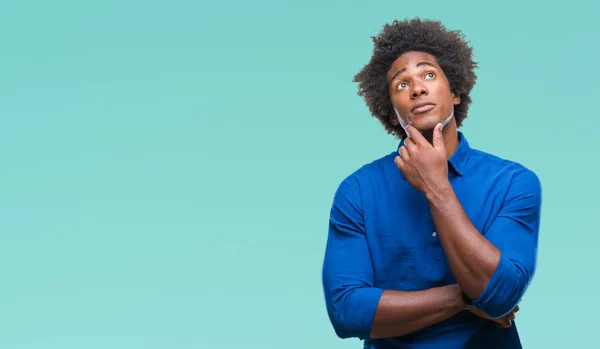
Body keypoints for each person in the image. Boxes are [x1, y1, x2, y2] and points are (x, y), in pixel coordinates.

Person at [321, 18, 542, 348]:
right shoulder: (358, 192)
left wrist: (436, 185)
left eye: (428, 75)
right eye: (401, 84)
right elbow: (347, 312)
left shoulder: (512, 182)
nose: (417, 88)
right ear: (392, 112)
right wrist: (466, 297)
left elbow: (502, 296)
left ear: (454, 92)